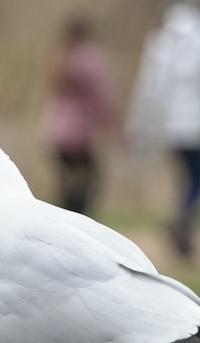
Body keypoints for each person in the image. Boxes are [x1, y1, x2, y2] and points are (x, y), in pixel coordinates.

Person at [127, 1, 200, 259]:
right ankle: (183, 222)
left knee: (186, 177)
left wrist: (142, 123)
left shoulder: (161, 40)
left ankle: (184, 229)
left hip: (171, 125)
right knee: (199, 178)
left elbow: (149, 86)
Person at [42, 14, 121, 217]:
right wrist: (114, 125)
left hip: (54, 129)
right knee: (90, 178)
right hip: (76, 131)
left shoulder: (61, 56)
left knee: (68, 180)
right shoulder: (87, 58)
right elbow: (100, 96)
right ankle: (75, 219)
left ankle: (62, 218)